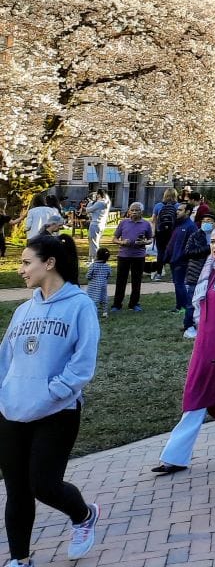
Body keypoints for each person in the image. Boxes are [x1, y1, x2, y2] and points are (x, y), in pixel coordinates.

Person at [0, 234, 101, 564]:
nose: (21, 269)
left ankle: (84, 515)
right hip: (13, 411)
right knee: (16, 489)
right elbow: (6, 359)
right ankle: (19, 559)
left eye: (27, 262)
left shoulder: (80, 305)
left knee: (43, 485)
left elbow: (84, 361)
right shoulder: (23, 310)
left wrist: (54, 392)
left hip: (58, 410)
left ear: (50, 263)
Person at [152, 224, 215, 475]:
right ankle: (175, 457)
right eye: (212, 241)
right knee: (194, 399)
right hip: (204, 347)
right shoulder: (209, 268)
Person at [111, 202, 153, 312]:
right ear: (129, 211)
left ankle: (134, 304)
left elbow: (150, 239)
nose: (134, 212)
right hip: (124, 255)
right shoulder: (123, 223)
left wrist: (144, 241)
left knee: (136, 280)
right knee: (121, 280)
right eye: (132, 210)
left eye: (136, 210)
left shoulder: (146, 224)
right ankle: (117, 304)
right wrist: (122, 242)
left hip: (139, 256)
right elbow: (114, 238)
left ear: (141, 212)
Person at [85, 248, 111, 318]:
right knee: (103, 298)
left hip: (93, 286)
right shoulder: (107, 266)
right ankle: (105, 312)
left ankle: (94, 313)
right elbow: (109, 274)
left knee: (93, 299)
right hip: (103, 285)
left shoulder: (93, 265)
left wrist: (89, 278)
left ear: (97, 256)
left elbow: (88, 275)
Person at [85, 191, 110, 256]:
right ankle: (93, 259)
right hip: (101, 224)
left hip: (95, 224)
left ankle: (94, 259)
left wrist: (90, 202)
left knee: (93, 243)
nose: (96, 197)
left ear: (99, 195)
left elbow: (88, 210)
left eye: (97, 195)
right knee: (95, 242)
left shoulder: (99, 203)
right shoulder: (106, 202)